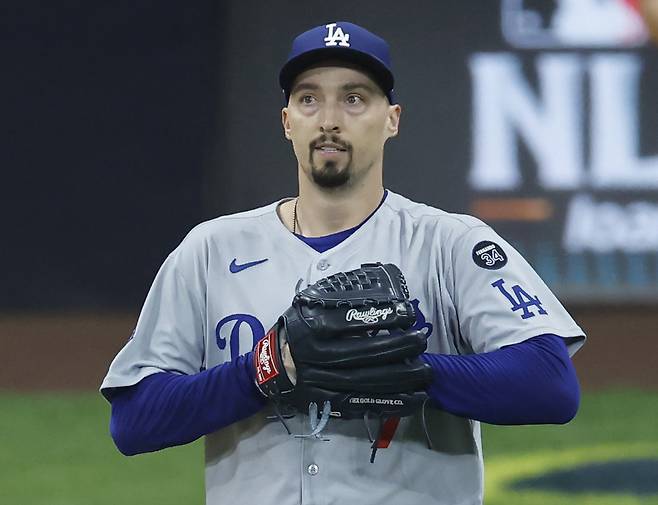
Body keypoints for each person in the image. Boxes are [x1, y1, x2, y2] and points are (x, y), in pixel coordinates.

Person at [101, 21, 586, 505]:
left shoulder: (450, 244)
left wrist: (401, 370)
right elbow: (134, 420)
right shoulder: (210, 250)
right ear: (288, 120)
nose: (329, 119)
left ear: (392, 118)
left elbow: (551, 384)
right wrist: (265, 369)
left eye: (354, 98)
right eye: (309, 99)